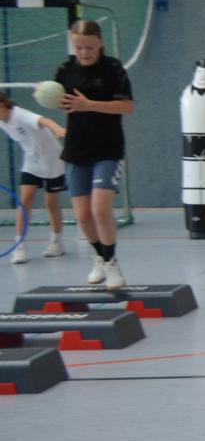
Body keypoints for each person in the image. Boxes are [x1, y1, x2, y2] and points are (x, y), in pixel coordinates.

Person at [56, 18, 135, 289]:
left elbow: (127, 107)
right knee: (82, 216)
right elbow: (61, 101)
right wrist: (51, 99)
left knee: (100, 209)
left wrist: (89, 104)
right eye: (78, 47)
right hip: (76, 150)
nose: (84, 53)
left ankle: (112, 263)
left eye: (89, 47)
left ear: (100, 42)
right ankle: (99, 256)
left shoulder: (113, 69)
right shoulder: (65, 71)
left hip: (107, 149)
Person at [0, 91, 68, 263]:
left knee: (51, 203)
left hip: (53, 160)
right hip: (31, 162)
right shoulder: (2, 121)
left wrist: (57, 129)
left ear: (1, 105)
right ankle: (19, 247)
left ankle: (56, 242)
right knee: (25, 200)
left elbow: (43, 120)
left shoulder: (20, 115)